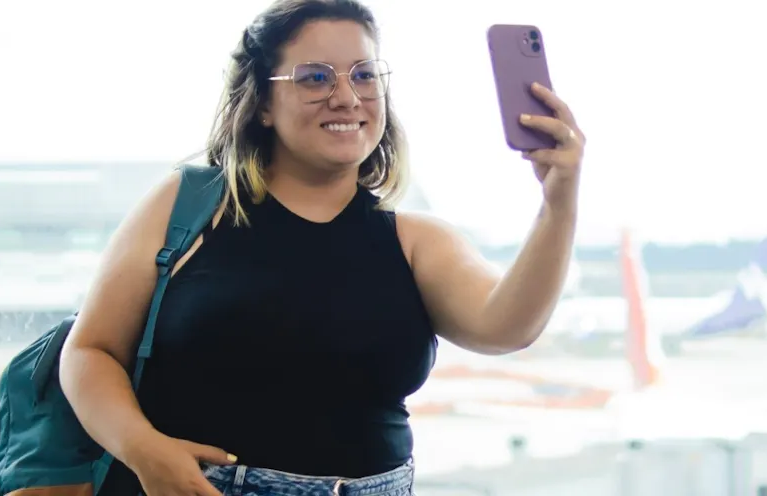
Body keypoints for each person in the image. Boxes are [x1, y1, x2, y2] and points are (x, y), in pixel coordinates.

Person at [59, 0, 586, 495]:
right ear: (263, 103)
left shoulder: (417, 240)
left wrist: (558, 202)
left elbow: (506, 327)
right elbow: (89, 351)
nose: (346, 96)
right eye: (314, 77)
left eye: (364, 75)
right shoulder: (188, 205)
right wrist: (144, 451)